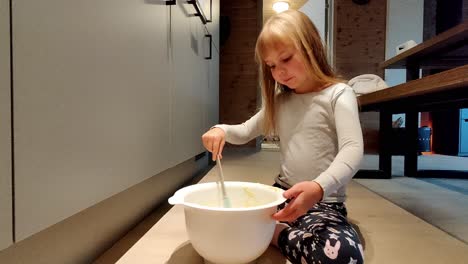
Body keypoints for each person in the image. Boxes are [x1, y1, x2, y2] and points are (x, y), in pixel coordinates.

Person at [201, 10, 364, 264]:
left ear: (312, 47)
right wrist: (221, 129)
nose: (279, 72)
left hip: (323, 203)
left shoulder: (339, 94)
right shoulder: (280, 101)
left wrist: (319, 187)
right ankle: (270, 230)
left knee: (342, 256)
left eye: (286, 59)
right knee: (221, 218)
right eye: (272, 66)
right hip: (281, 196)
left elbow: (352, 149)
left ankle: (270, 233)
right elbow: (244, 131)